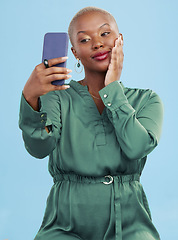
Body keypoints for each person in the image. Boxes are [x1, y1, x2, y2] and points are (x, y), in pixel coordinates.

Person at [19, 6, 164, 240]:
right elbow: (38, 148)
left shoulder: (147, 99)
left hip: (129, 223)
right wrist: (30, 98)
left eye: (105, 33)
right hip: (65, 224)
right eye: (85, 40)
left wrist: (112, 89)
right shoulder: (56, 96)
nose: (97, 43)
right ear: (75, 52)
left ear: (120, 39)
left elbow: (137, 147)